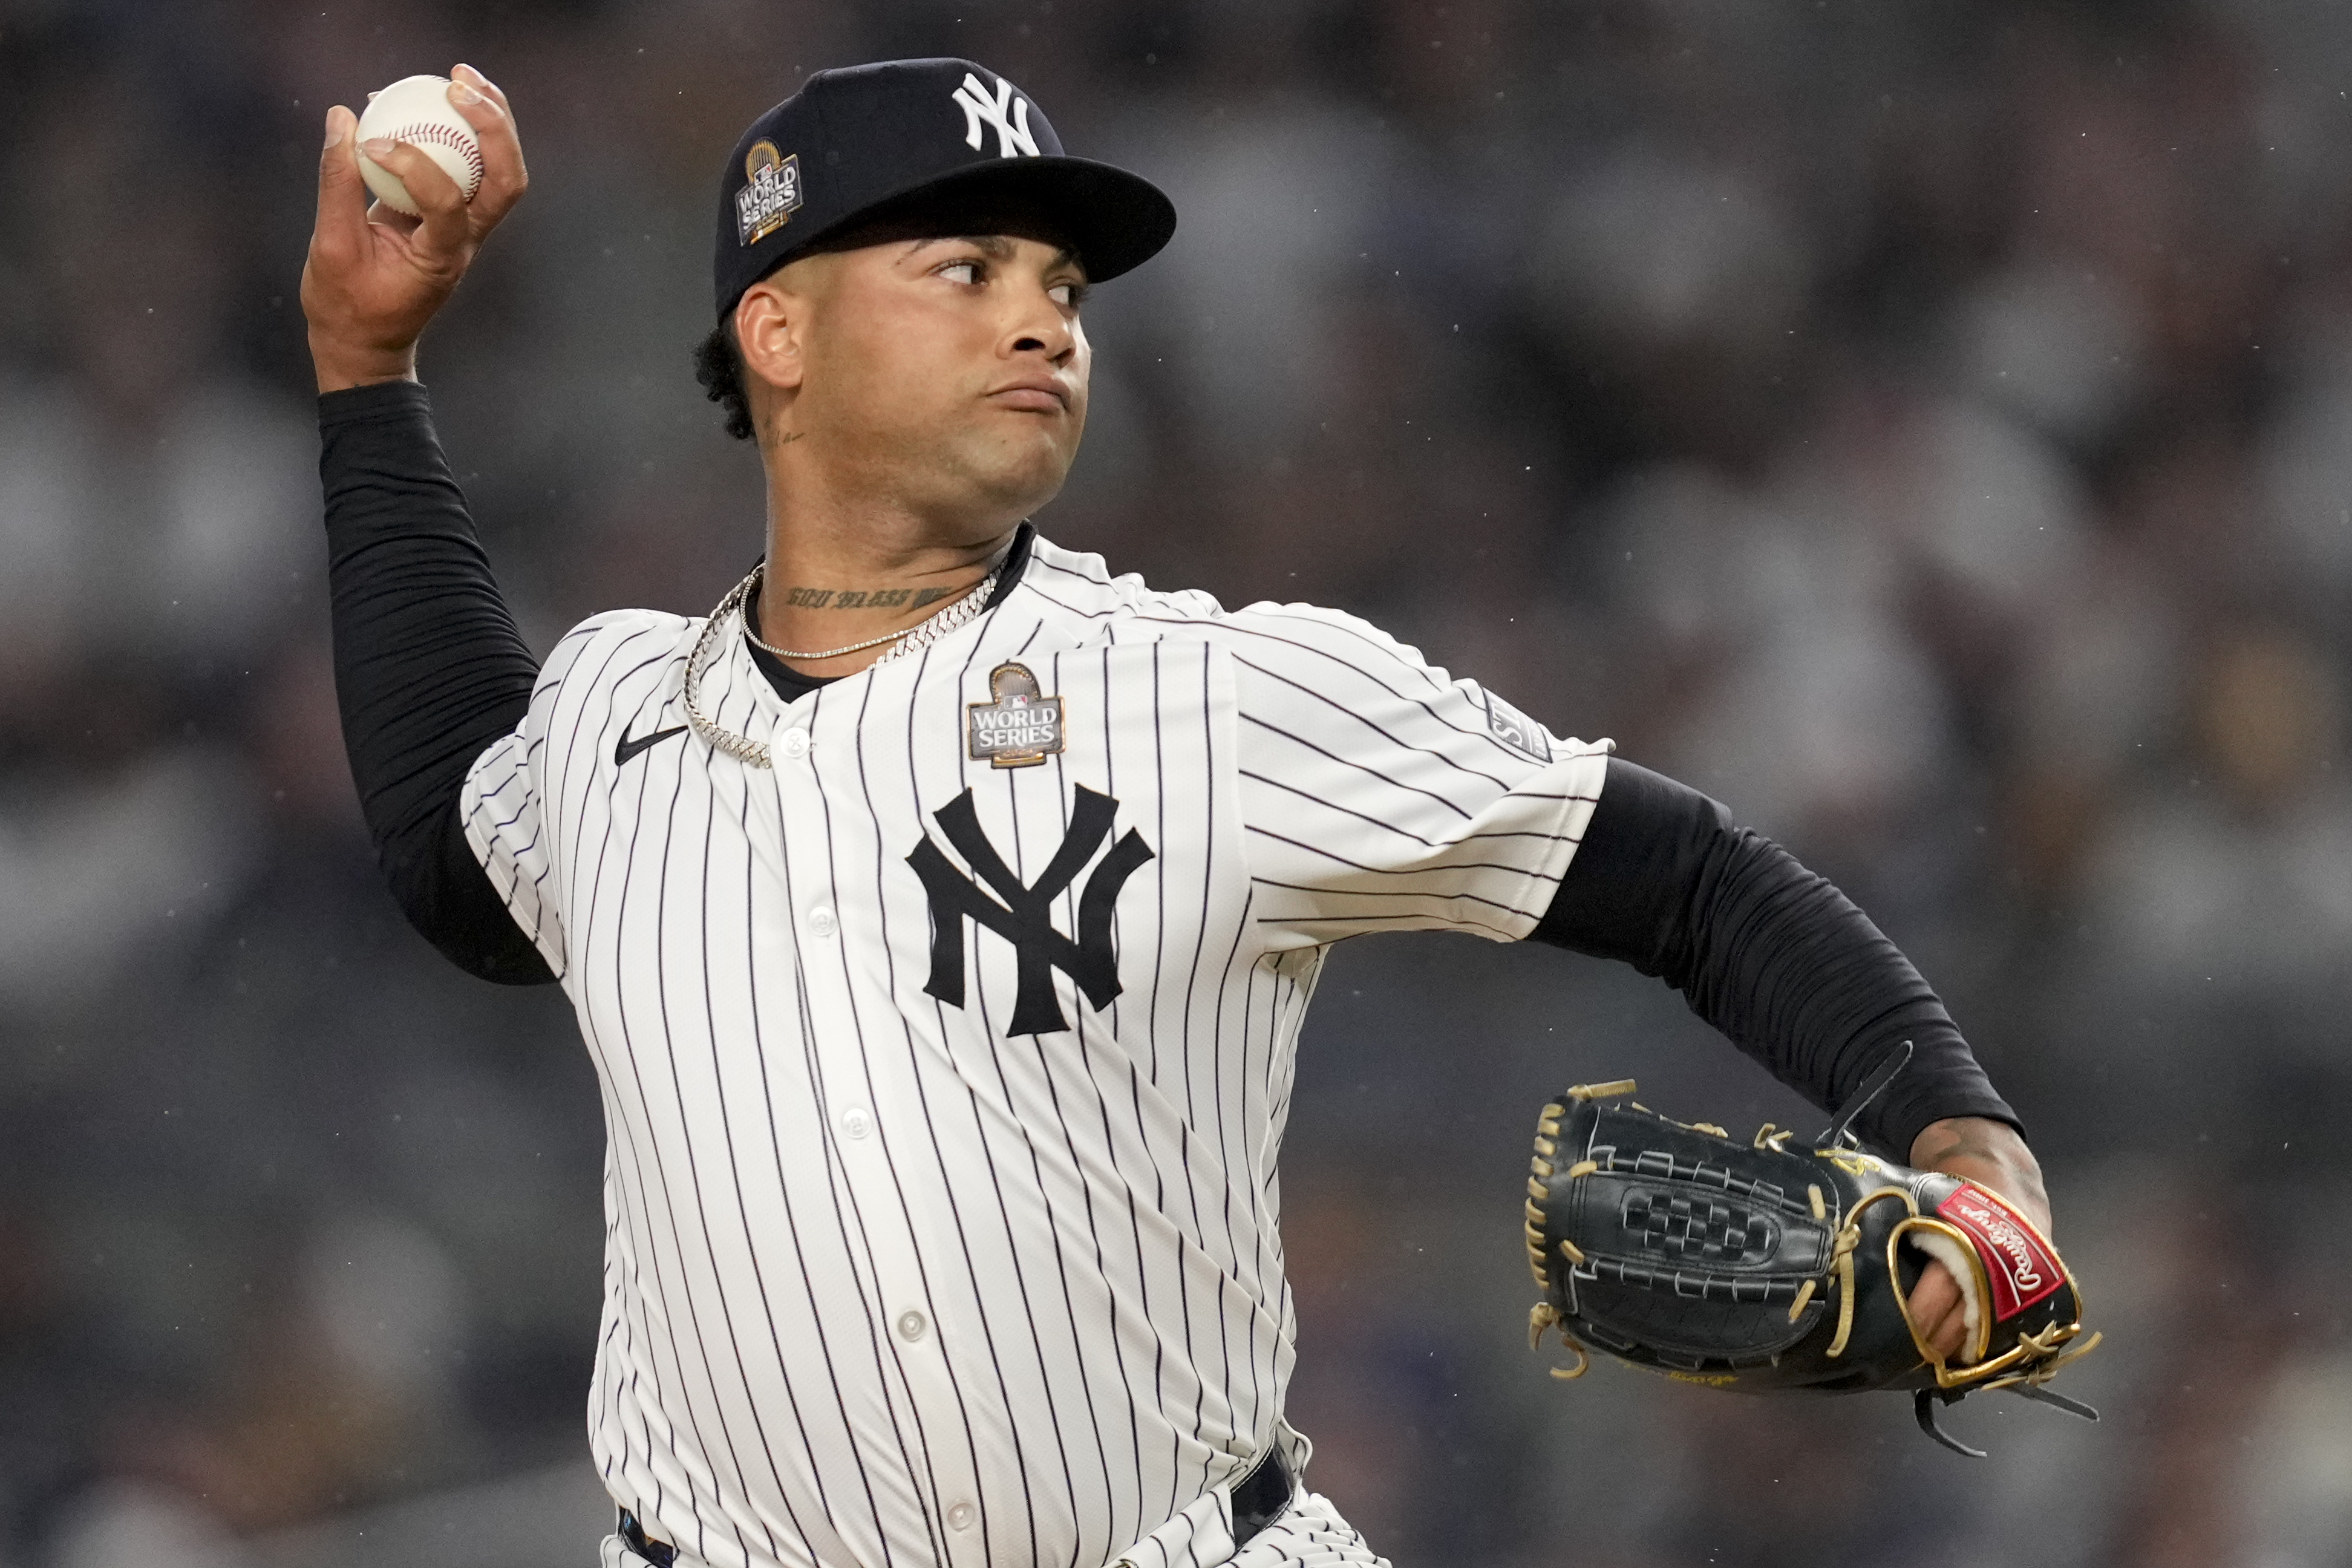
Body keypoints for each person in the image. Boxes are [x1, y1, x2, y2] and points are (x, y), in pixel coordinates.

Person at [302, 56, 2051, 1568]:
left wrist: (1965, 1140)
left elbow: (1690, 884)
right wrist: (367, 378)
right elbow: (458, 845)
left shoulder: (1224, 695)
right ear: (779, 332)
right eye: (966, 265)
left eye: (1061, 281)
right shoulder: (617, 707)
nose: (1043, 317)